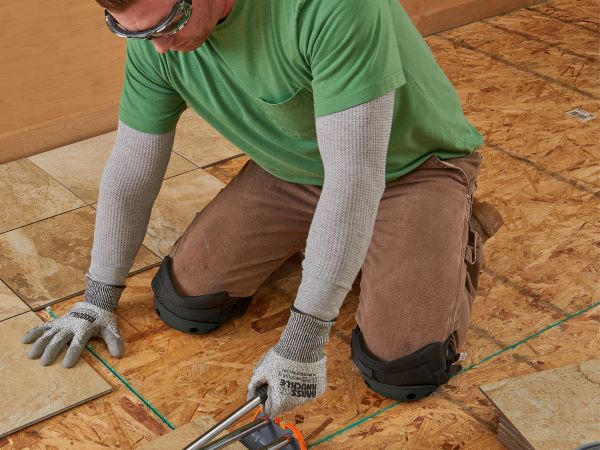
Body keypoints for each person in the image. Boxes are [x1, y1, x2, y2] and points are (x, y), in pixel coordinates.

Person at [22, 0, 503, 417]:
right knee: (186, 302)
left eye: (168, 23)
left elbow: (354, 180)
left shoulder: (330, 8)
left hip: (410, 167)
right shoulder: (155, 37)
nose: (159, 47)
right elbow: (132, 169)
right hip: (295, 168)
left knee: (402, 368)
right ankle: (336, 245)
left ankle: (455, 224)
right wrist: (97, 297)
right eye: (132, 30)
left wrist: (303, 340)